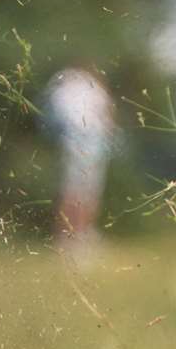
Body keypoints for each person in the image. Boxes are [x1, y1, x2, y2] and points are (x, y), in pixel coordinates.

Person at [42, 66, 117, 251]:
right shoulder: (68, 89)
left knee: (89, 192)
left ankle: (83, 234)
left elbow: (106, 113)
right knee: (74, 192)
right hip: (77, 143)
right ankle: (67, 237)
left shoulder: (91, 88)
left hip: (93, 143)